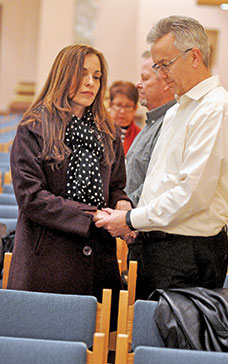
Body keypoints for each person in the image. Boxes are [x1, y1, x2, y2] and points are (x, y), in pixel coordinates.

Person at [93, 16, 228, 300]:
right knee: (142, 333)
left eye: (165, 64)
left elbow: (192, 195)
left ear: (194, 57)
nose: (161, 74)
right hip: (157, 243)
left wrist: (130, 218)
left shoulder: (216, 110)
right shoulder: (179, 109)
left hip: (187, 252)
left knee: (169, 340)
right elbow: (159, 181)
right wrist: (133, 218)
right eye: (156, 66)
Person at [7, 44, 132, 328]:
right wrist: (90, 215)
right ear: (63, 75)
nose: (90, 82)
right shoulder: (34, 127)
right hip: (46, 262)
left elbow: (115, 186)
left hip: (97, 260)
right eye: (82, 73)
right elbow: (31, 198)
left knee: (94, 345)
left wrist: (122, 203)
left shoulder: (109, 132)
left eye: (97, 76)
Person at [125, 50, 176, 206]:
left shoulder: (171, 123)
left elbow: (158, 184)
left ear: (166, 83)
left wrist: (125, 210)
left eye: (145, 78)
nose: (137, 84)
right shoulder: (151, 122)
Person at [109, 81, 141, 156]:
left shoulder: (139, 135)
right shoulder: (100, 130)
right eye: (118, 105)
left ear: (135, 108)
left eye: (128, 106)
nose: (122, 111)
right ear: (110, 104)